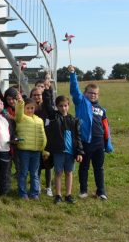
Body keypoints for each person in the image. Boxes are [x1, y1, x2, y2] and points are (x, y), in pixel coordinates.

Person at [69, 65, 113, 200]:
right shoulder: (81, 102)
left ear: (98, 95)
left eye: (95, 93)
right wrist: (73, 75)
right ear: (85, 93)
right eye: (90, 92)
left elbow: (106, 127)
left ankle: (101, 191)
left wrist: (108, 142)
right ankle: (83, 190)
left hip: (99, 141)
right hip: (85, 141)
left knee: (99, 168)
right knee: (84, 167)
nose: (92, 95)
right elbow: (74, 91)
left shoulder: (102, 109)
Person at [43, 95, 84, 203]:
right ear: (57, 106)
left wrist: (79, 152)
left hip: (70, 153)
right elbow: (47, 105)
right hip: (58, 152)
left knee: (69, 172)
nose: (63, 108)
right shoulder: (54, 117)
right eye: (60, 106)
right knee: (58, 173)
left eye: (65, 106)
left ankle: (68, 195)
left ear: (68, 106)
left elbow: (78, 137)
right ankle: (58, 195)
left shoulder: (74, 120)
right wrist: (47, 90)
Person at [14, 95, 48, 200]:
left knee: (34, 174)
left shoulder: (39, 120)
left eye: (32, 108)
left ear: (35, 108)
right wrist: (20, 103)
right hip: (24, 150)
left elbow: (43, 135)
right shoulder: (21, 118)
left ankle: (34, 193)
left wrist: (44, 149)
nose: (29, 110)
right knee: (23, 172)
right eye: (27, 108)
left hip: (36, 151)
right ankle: (22, 193)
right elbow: (18, 113)